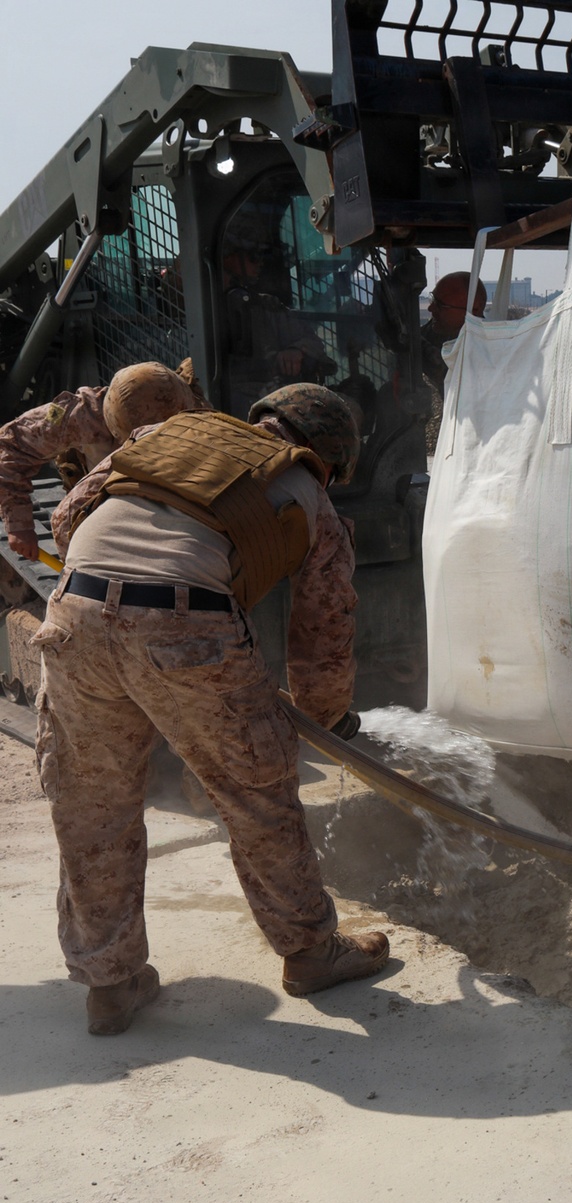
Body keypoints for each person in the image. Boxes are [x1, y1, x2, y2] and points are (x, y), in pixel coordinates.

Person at [33, 383, 388, 1037]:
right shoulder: (307, 490)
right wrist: (324, 715)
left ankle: (110, 982)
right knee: (256, 793)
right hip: (184, 626)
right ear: (329, 455)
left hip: (74, 615)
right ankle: (311, 952)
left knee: (92, 804)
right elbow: (325, 627)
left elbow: (66, 520)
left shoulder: (163, 435)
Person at [0, 361, 202, 560]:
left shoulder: (199, 419)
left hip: (177, 499)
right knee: (72, 519)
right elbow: (12, 445)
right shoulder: (84, 413)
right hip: (112, 495)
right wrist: (19, 526)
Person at [222, 213, 328, 417]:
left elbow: (314, 343)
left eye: (263, 256)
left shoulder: (265, 307)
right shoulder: (189, 304)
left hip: (264, 403)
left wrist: (296, 350)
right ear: (228, 254)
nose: (260, 262)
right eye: (254, 255)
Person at [421, 271, 487, 396]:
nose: (431, 309)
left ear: (474, 309)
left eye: (441, 305)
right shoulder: (434, 330)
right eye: (432, 300)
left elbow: (449, 373)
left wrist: (413, 344)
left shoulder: (486, 347)